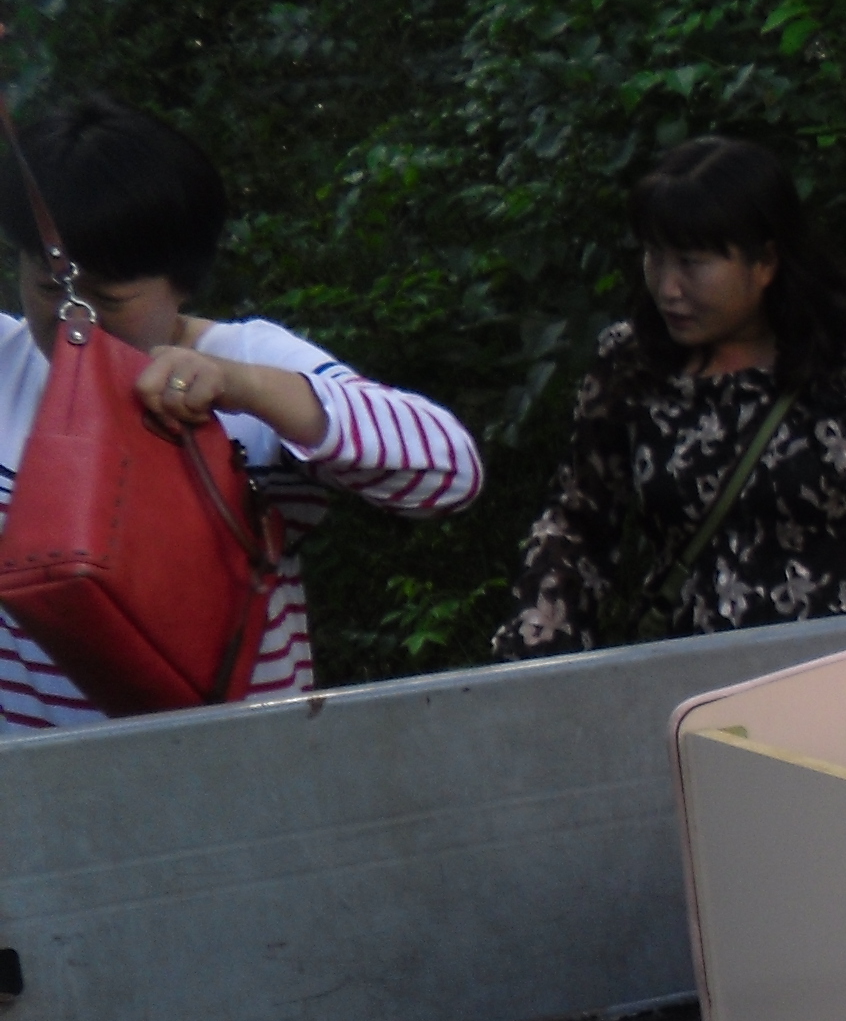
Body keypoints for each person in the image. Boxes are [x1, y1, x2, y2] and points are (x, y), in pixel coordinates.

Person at [0, 94, 484, 734]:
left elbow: (450, 471)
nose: (73, 318)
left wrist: (246, 388)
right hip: (37, 780)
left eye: (108, 300)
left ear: (184, 282)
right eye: (47, 287)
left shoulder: (249, 362)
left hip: (235, 769)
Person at [494, 138, 846, 656]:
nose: (667, 288)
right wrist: (537, 650)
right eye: (654, 257)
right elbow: (577, 524)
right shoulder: (631, 362)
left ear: (765, 262)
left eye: (691, 263)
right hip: (700, 672)